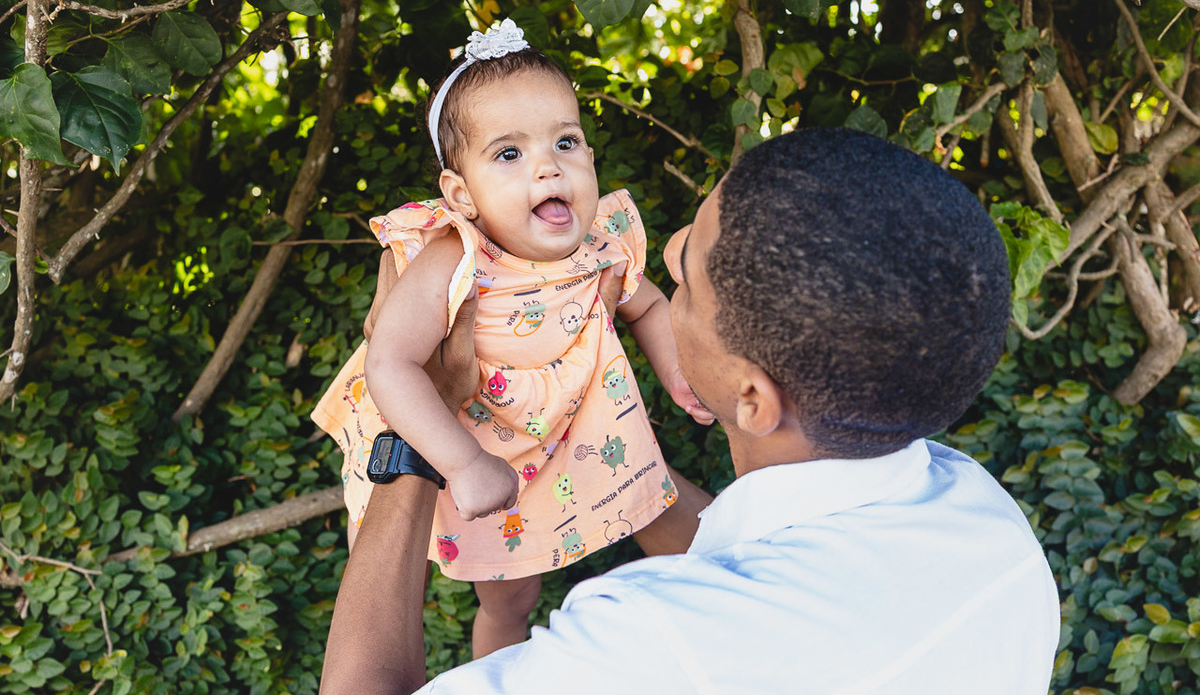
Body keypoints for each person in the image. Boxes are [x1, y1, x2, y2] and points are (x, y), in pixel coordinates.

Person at [320, 126, 1061, 694]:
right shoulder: (991, 530)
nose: (665, 249)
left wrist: (416, 436)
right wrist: (581, 437)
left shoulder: (649, 641)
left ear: (752, 396)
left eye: (689, 279)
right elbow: (746, 561)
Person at [310, 19, 713, 658]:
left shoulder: (600, 239)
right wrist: (462, 463)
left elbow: (647, 304)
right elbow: (390, 363)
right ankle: (496, 658)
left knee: (646, 494)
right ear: (460, 194)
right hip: (463, 443)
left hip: (569, 430)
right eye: (509, 154)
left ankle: (728, 587)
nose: (549, 168)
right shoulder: (453, 255)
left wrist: (678, 370)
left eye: (567, 141)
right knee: (506, 595)